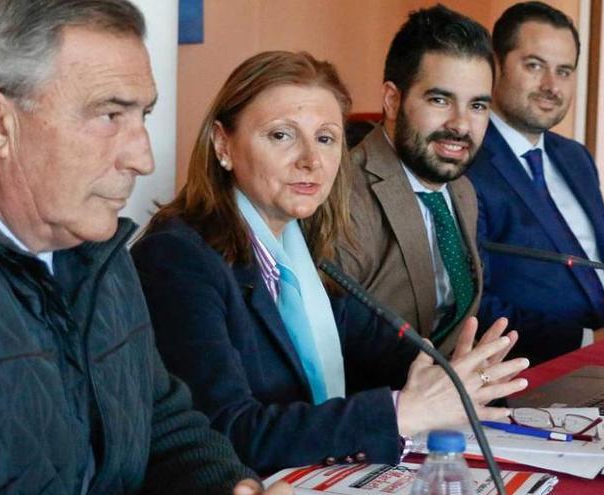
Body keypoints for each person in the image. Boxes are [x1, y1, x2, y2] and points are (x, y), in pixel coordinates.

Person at [0, 1, 288, 493]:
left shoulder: (88, 238)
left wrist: (225, 484)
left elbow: (157, 414)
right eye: (109, 115)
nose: (143, 157)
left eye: (142, 114)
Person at [131, 50, 530, 474]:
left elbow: (381, 349)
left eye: (326, 138)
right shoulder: (177, 258)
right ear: (222, 144)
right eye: (282, 136)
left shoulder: (302, 247)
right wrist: (403, 411)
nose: (311, 160)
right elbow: (224, 434)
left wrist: (454, 376)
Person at [467, 1, 604, 364]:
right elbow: (475, 303)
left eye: (565, 71)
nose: (551, 86)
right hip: (544, 368)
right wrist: (589, 340)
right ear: (494, 65)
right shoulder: (467, 164)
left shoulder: (576, 158)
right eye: (535, 65)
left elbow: (603, 275)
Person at [333, 5, 495, 353]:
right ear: (392, 100)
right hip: (384, 402)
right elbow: (332, 347)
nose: (462, 125)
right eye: (440, 100)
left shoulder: (461, 191)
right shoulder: (342, 193)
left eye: (478, 106)